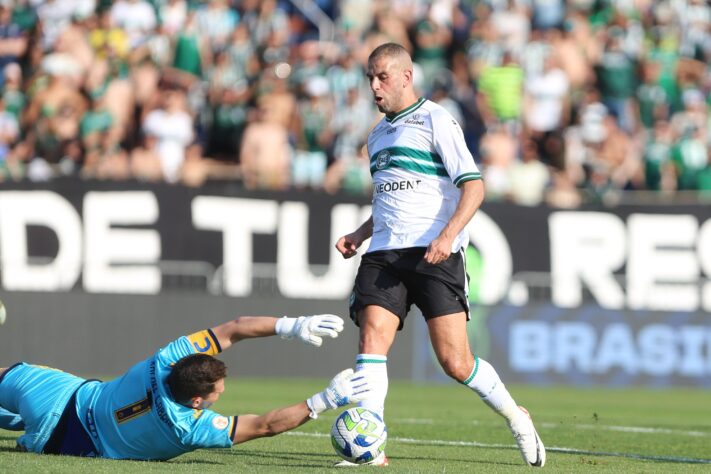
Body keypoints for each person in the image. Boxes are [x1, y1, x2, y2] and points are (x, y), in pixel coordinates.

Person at [335, 43, 545, 467]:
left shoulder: (436, 119)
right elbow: (389, 199)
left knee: (455, 361)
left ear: (407, 76)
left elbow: (474, 186)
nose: (374, 86)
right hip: (385, 253)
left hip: (434, 253)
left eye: (382, 77)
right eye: (370, 78)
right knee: (372, 339)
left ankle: (516, 417)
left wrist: (448, 236)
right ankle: (371, 449)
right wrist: (360, 234)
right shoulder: (377, 135)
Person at [0, 313, 373, 460]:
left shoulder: (167, 359)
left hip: (59, 394)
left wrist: (292, 325)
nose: (221, 394)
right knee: (21, 425)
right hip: (64, 443)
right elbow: (265, 426)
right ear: (197, 400)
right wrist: (325, 399)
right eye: (217, 393)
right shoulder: (189, 427)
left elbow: (235, 327)